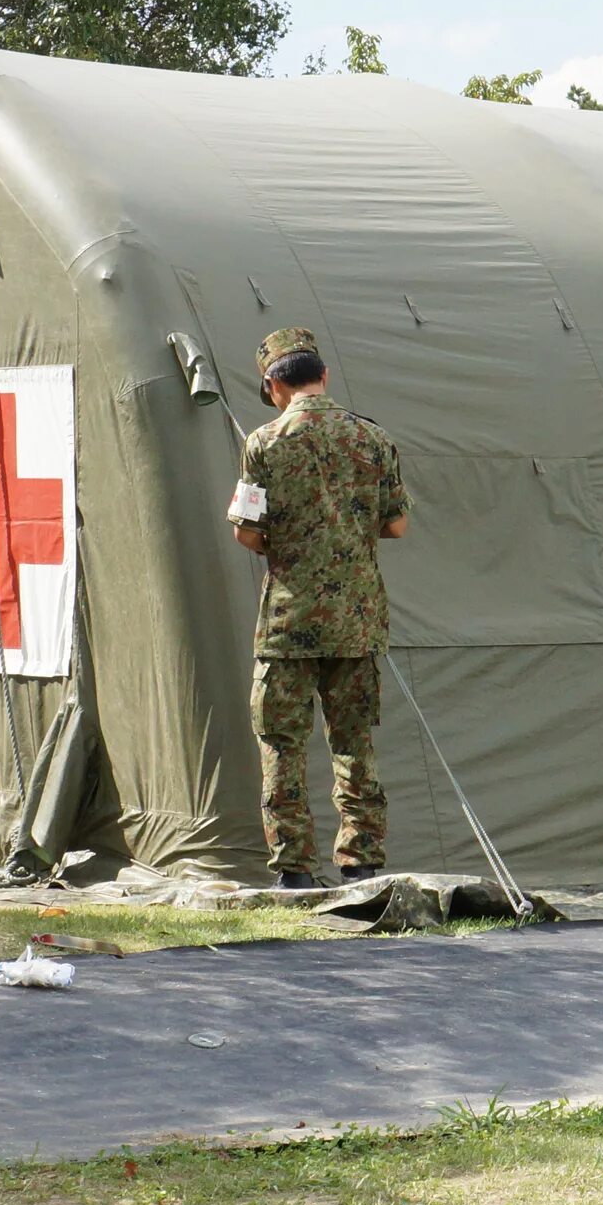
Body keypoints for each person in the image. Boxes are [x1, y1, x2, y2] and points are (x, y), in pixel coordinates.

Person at [228, 328, 410, 889]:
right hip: (356, 622)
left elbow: (248, 536)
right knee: (354, 744)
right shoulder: (373, 439)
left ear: (274, 384)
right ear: (323, 376)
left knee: (282, 744)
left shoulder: (264, 443)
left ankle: (295, 870)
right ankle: (362, 862)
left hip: (288, 624)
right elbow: (397, 524)